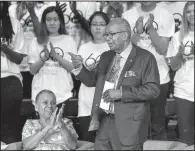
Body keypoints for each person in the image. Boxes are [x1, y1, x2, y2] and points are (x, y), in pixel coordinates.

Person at [69, 18, 160, 150]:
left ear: (125, 35)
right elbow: (92, 81)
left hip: (129, 125)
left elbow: (153, 90)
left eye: (111, 34)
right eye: (106, 35)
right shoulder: (106, 56)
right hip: (104, 120)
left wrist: (122, 93)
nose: (108, 38)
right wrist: (79, 67)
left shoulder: (145, 58)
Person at [123, 2, 175, 140]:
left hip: (159, 77)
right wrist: (137, 32)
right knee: (136, 125)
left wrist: (151, 29)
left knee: (157, 126)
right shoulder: (127, 15)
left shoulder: (165, 15)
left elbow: (163, 49)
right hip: (134, 78)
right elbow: (123, 48)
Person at [27, 6, 77, 116]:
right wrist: (43, 59)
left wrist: (57, 57)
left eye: (55, 19)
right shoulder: (35, 42)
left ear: (61, 21)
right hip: (40, 96)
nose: (52, 23)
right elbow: (32, 70)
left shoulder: (69, 40)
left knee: (60, 131)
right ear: (44, 22)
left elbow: (72, 68)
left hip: (62, 96)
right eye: (48, 20)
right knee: (44, 132)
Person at [77, 11, 109, 142]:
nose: (98, 27)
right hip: (86, 103)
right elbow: (78, 76)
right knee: (88, 143)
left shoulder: (113, 47)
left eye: (102, 24)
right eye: (95, 24)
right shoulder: (83, 48)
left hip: (107, 104)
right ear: (89, 26)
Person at [166, 1, 194, 145]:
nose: (192, 14)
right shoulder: (177, 36)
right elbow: (174, 67)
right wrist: (180, 54)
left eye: (194, 10)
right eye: (188, 11)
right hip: (184, 91)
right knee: (186, 138)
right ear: (184, 14)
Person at [1, 1, 26, 143]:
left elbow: (18, 59)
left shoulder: (14, 23)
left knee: (9, 129)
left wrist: (4, 48)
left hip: (10, 78)